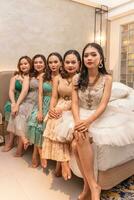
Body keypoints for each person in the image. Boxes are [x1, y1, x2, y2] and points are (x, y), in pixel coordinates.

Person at [59, 43, 134, 200]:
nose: (89, 58)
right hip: (79, 114)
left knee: (75, 143)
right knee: (78, 137)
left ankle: (88, 187)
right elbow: (74, 103)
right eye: (86, 55)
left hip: (100, 115)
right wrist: (79, 121)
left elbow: (104, 104)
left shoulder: (107, 78)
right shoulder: (77, 78)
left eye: (93, 54)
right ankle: (93, 186)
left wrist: (88, 122)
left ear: (101, 58)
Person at [42, 50, 81, 180]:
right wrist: (51, 108)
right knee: (51, 120)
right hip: (59, 104)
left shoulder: (82, 78)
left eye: (73, 62)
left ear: (79, 63)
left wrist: (63, 110)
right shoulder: (57, 78)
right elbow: (54, 96)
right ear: (63, 64)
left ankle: (63, 163)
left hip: (73, 107)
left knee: (61, 124)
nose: (70, 65)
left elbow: (79, 100)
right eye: (67, 62)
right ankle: (62, 163)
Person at [27, 52, 62, 168]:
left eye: (55, 62)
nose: (53, 65)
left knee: (45, 124)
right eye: (50, 62)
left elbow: (58, 96)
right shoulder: (43, 76)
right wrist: (40, 111)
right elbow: (40, 94)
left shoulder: (61, 77)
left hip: (56, 105)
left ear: (60, 63)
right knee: (35, 120)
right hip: (43, 103)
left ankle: (38, 154)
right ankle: (39, 153)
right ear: (48, 64)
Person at [7, 54, 45, 157]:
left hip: (40, 102)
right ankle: (24, 139)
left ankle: (22, 145)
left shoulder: (48, 75)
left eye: (40, 62)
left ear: (45, 63)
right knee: (17, 113)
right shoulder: (30, 75)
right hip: (28, 100)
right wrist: (16, 104)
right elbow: (24, 90)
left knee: (26, 116)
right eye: (36, 62)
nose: (38, 64)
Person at [2, 56, 32, 152]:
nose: (23, 66)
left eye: (25, 63)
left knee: (17, 112)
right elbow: (11, 90)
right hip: (15, 99)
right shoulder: (15, 76)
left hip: (27, 100)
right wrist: (14, 103)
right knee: (11, 109)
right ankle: (10, 141)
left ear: (30, 64)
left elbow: (25, 91)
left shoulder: (32, 76)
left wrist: (17, 105)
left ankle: (17, 142)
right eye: (21, 64)